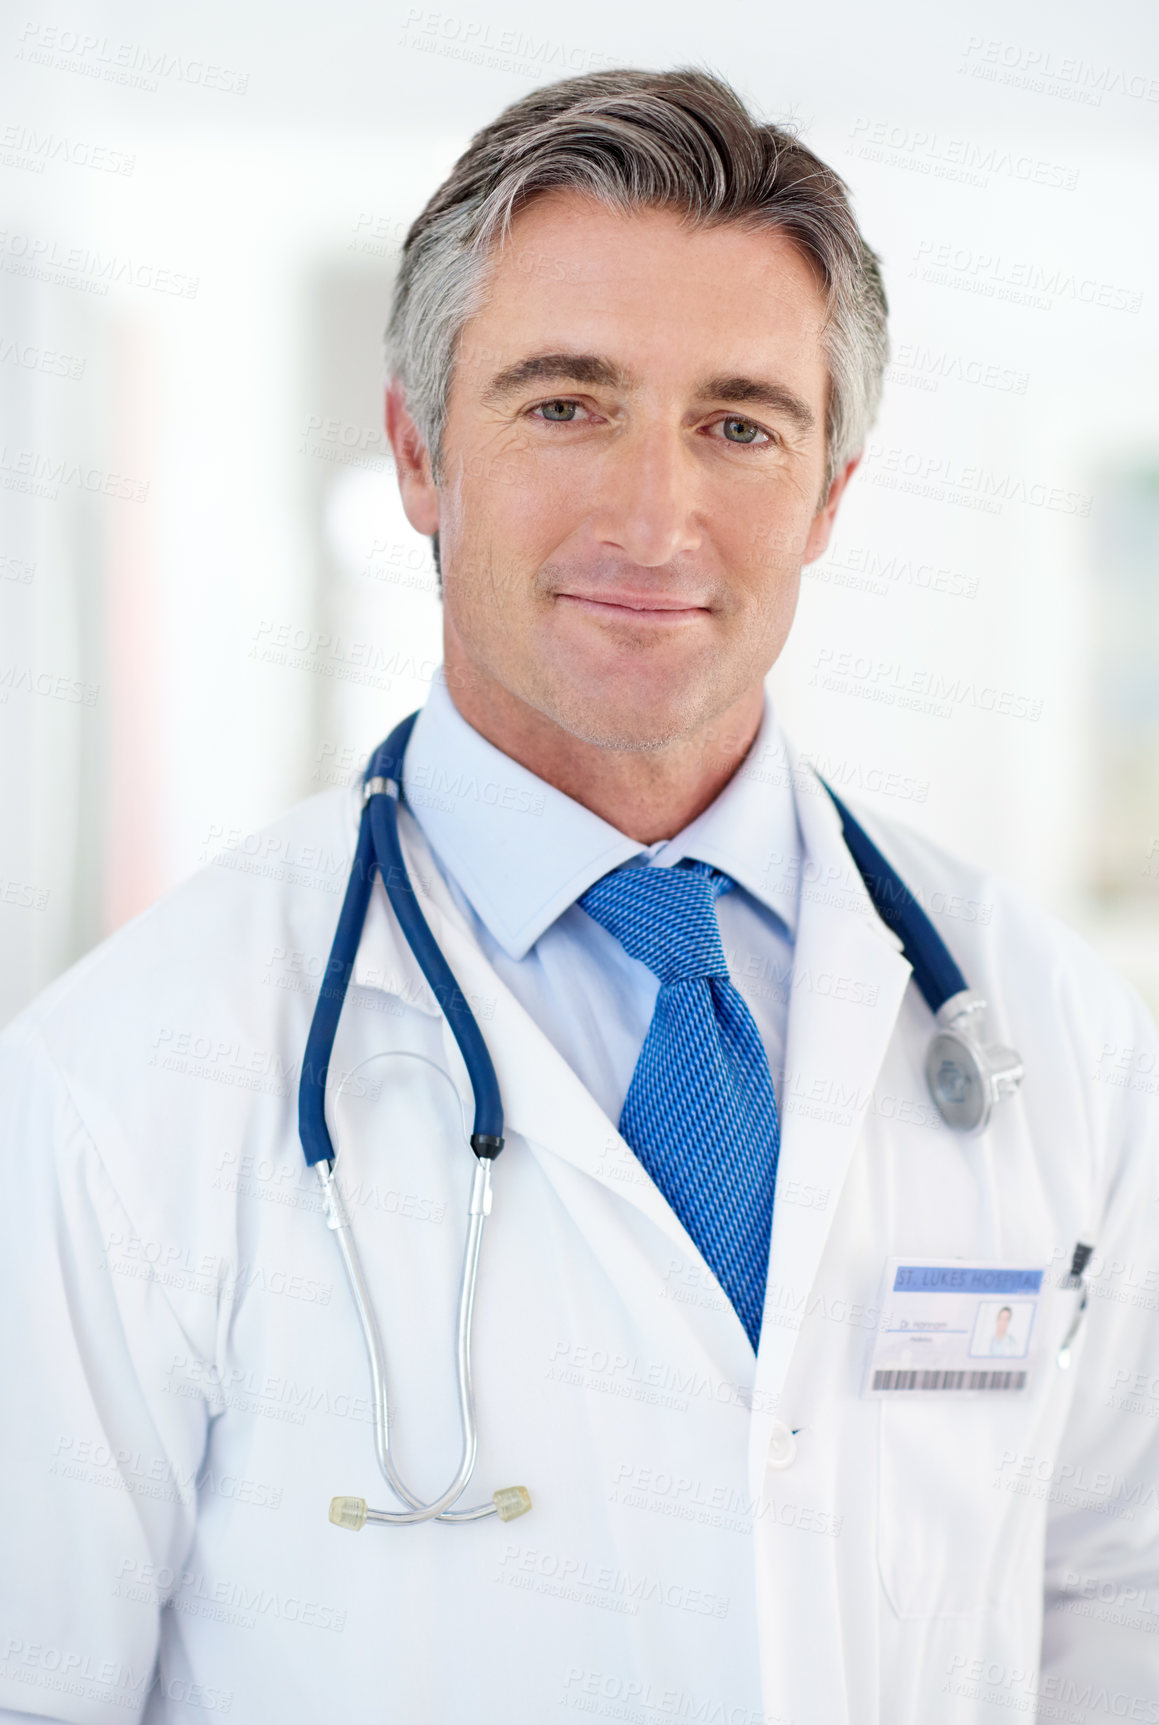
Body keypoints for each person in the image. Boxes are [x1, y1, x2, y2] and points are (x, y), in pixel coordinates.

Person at [1, 67, 1156, 1725]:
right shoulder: (122, 1086)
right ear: (415, 451)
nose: (654, 514)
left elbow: (1116, 1616)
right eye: (565, 403)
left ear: (831, 494)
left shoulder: (1060, 1046)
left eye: (739, 424)